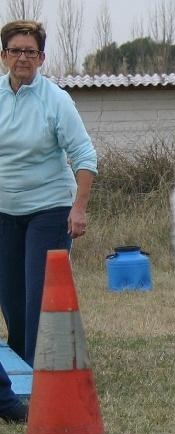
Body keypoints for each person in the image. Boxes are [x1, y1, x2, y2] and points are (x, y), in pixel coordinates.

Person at [0, 20, 97, 366]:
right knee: (11, 298)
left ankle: (41, 375)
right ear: (3, 56)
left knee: (38, 294)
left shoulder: (56, 100)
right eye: (15, 51)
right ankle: (23, 368)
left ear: (41, 58)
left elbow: (85, 156)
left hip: (50, 209)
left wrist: (79, 208)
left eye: (30, 52)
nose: (22, 58)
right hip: (5, 213)